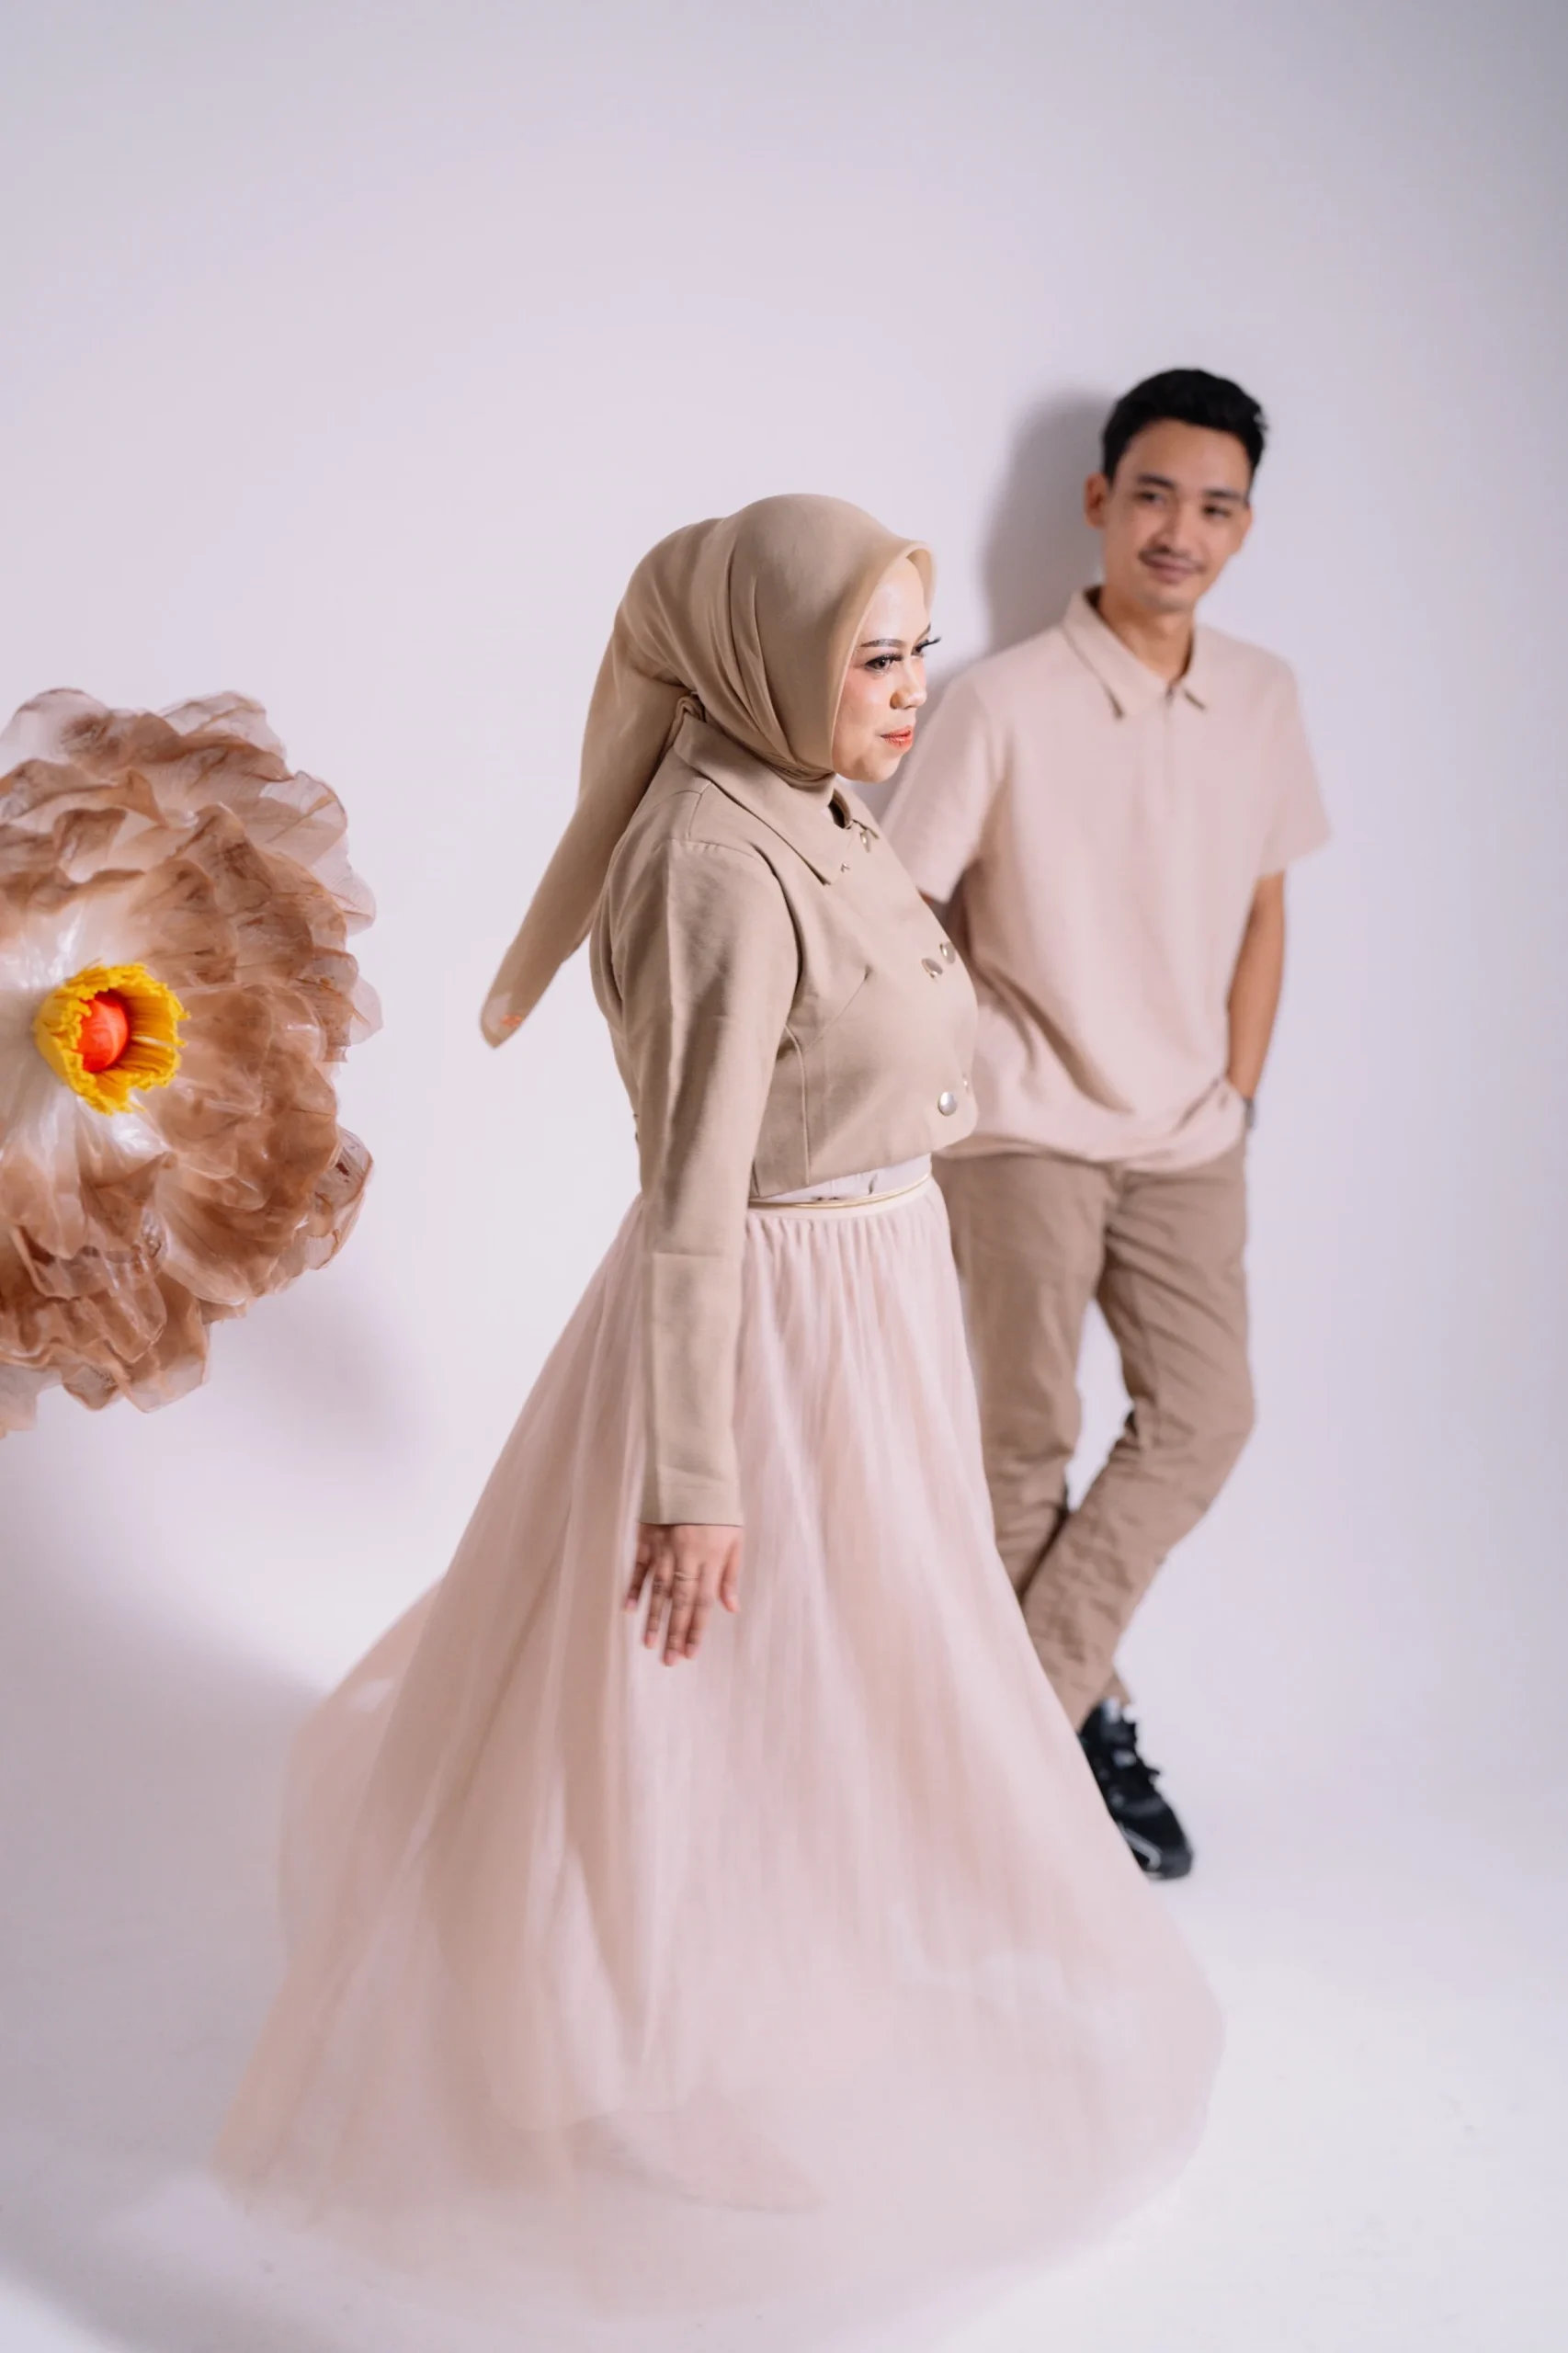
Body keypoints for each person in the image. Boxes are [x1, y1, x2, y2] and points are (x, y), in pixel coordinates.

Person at [216, 495, 1220, 2325]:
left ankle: (764, 1997)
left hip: (872, 1294)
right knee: (708, 1689)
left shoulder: (812, 798)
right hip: (766, 1323)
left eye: (915, 650)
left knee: (816, 1676)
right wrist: (694, 1477)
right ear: (768, 659)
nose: (910, 691)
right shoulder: (711, 861)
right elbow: (690, 1195)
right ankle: (647, 2051)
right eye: (872, 657)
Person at [884, 372, 1329, 1881]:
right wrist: (958, 1073)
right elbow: (898, 914)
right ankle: (1077, 1738)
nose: (1177, 530)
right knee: (1019, 1449)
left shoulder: (1262, 696)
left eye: (1213, 506)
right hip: (1019, 1127)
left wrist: (1239, 1096)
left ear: (1243, 528)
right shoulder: (999, 702)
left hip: (1189, 1135)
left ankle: (1026, 1732)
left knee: (1204, 1417)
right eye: (1151, 494)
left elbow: (1265, 914)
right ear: (1097, 502)